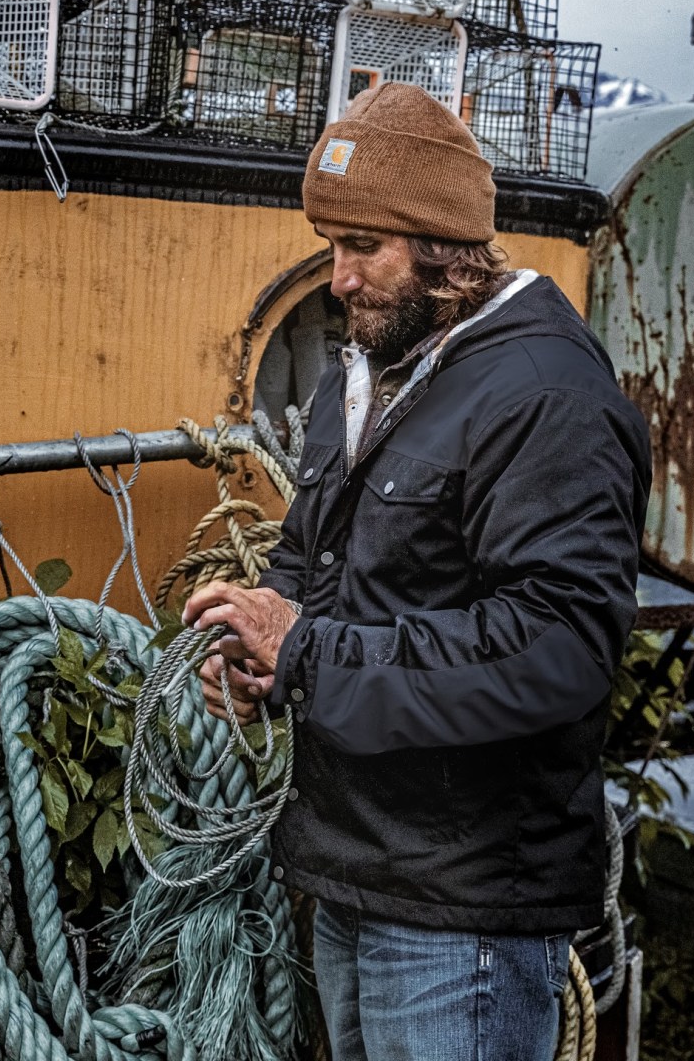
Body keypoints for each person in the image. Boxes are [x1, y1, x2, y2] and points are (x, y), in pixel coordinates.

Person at [183, 83, 651, 1061]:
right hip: (359, 867)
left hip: (466, 908)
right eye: (331, 245)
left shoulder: (545, 398)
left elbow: (556, 648)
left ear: (448, 251)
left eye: (365, 249)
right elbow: (311, 566)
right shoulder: (366, 381)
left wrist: (307, 653)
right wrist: (264, 644)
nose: (338, 278)